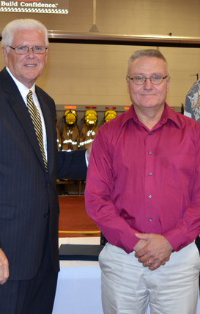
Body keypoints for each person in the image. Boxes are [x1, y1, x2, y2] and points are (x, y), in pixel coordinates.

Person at [0, 19, 87, 314]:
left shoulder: (44, 101)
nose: (32, 55)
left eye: (39, 48)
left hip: (41, 260)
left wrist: (97, 156)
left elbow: (44, 167)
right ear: (5, 52)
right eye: (23, 48)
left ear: (47, 54)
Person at [85, 49, 200, 314]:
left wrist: (169, 241)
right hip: (123, 258)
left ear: (168, 82)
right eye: (138, 78)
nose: (148, 85)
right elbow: (96, 199)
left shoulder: (194, 134)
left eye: (156, 77)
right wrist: (136, 242)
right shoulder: (108, 135)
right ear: (128, 83)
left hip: (179, 260)